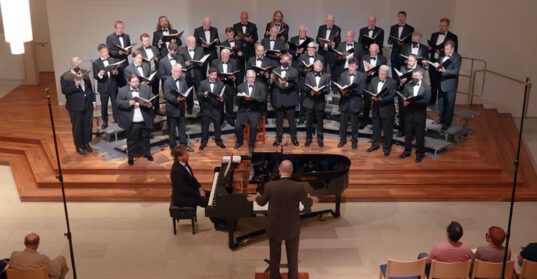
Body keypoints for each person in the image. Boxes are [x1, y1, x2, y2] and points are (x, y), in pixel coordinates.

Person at [247, 160, 318, 279]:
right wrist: (311, 199)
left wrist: (256, 198)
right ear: (291, 171)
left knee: (274, 256)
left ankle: (274, 276)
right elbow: (306, 203)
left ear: (279, 170)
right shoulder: (299, 187)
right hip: (292, 228)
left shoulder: (270, 186)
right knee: (293, 257)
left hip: (275, 227)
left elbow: (262, 201)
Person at [170, 145, 225, 230]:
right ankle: (217, 223)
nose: (188, 155)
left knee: (213, 194)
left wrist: (199, 188)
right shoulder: (176, 171)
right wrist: (199, 194)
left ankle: (222, 216)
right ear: (179, 157)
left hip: (190, 191)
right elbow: (184, 190)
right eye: (186, 154)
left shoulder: (185, 163)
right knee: (208, 202)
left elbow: (192, 178)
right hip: (183, 198)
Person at [116, 74, 155, 166]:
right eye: (133, 82)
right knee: (131, 140)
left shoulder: (145, 88)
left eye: (137, 81)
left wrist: (149, 104)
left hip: (144, 118)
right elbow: (118, 103)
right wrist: (128, 103)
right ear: (129, 82)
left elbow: (152, 99)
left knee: (146, 138)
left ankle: (147, 153)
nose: (136, 83)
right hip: (132, 120)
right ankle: (131, 157)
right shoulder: (122, 90)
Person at [60, 57, 95, 155]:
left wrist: (93, 101)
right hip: (75, 106)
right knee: (77, 126)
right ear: (71, 65)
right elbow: (64, 91)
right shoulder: (65, 76)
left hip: (87, 103)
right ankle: (78, 146)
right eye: (76, 65)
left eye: (79, 65)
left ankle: (86, 143)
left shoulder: (84, 73)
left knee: (88, 125)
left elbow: (89, 88)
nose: (78, 67)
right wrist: (75, 85)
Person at [399, 70, 431, 163]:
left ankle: (420, 153)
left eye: (416, 76)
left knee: (419, 136)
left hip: (420, 114)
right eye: (413, 76)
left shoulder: (427, 87)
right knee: (408, 134)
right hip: (409, 113)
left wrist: (413, 101)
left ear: (421, 77)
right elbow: (403, 97)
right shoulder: (408, 85)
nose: (414, 78)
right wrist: (404, 101)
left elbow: (427, 101)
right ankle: (407, 151)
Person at [234, 70, 267, 153]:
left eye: (253, 77)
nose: (251, 79)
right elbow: (237, 102)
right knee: (238, 126)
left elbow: (263, 98)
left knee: (253, 126)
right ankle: (239, 142)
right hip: (243, 109)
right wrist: (241, 98)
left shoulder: (261, 86)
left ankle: (251, 145)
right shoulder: (240, 86)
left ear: (255, 78)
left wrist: (253, 98)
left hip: (255, 110)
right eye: (249, 77)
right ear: (246, 77)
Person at [270, 53, 299, 147]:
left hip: (289, 99)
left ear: (290, 61)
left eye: (288, 60)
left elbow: (295, 84)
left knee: (291, 121)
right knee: (279, 121)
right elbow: (271, 83)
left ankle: (294, 138)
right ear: (281, 60)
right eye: (284, 60)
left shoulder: (294, 70)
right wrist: (270, 80)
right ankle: (278, 138)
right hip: (278, 99)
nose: (285, 62)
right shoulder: (275, 70)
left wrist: (285, 84)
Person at [336, 57, 366, 150]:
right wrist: (342, 90)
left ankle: (354, 141)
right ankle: (342, 140)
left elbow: (362, 91)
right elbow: (339, 88)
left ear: (356, 66)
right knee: (343, 124)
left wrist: (351, 90)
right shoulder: (343, 74)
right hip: (344, 102)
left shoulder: (361, 76)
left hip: (355, 103)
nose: (351, 68)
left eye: (353, 66)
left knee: (354, 124)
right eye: (349, 66)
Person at [433, 40, 462, 134]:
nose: (445, 51)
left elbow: (455, 72)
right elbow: (438, 61)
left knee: (449, 106)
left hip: (450, 85)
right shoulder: (442, 54)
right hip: (441, 83)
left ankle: (447, 124)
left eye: (447, 49)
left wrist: (444, 71)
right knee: (440, 104)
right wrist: (436, 64)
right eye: (444, 49)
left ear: (452, 49)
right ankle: (441, 119)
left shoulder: (457, 57)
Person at [428, 18, 458, 106]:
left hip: (445, 64)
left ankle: (441, 103)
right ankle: (432, 102)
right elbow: (431, 48)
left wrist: (441, 52)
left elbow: (454, 52)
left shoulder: (453, 37)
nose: (441, 27)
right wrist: (430, 49)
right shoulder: (434, 35)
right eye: (440, 25)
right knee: (433, 83)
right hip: (433, 62)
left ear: (448, 26)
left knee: (442, 85)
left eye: (443, 26)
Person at [367, 65, 396, 156]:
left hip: (387, 110)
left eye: (383, 74)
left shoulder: (392, 82)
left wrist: (380, 99)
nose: (380, 75)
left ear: (387, 74)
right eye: (380, 73)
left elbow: (391, 96)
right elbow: (370, 90)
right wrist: (372, 96)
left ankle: (387, 147)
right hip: (376, 109)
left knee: (387, 130)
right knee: (376, 129)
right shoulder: (374, 80)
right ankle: (375, 145)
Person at [163, 64, 193, 152]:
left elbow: (186, 91)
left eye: (180, 72)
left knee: (182, 128)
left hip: (181, 109)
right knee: (172, 130)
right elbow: (167, 95)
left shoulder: (183, 80)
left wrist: (185, 96)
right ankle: (173, 147)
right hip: (172, 109)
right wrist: (177, 99)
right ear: (172, 71)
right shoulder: (167, 81)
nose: (178, 73)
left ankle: (184, 144)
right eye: (176, 71)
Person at [396, 54, 426, 137]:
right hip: (403, 93)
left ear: (416, 61)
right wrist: (401, 82)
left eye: (411, 61)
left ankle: (412, 133)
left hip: (413, 95)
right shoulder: (402, 68)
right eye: (408, 60)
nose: (408, 62)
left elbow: (422, 84)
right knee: (402, 113)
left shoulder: (421, 70)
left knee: (412, 115)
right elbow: (398, 80)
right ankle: (401, 130)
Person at [359, 43, 388, 128]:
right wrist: (366, 74)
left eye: (374, 51)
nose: (372, 53)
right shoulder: (364, 57)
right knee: (366, 103)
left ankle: (377, 122)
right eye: (371, 51)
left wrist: (375, 71)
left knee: (378, 103)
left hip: (378, 82)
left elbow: (385, 71)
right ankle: (365, 120)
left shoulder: (383, 59)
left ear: (378, 51)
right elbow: (360, 70)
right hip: (367, 83)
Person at [303, 60, 331, 147]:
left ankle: (320, 139)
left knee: (320, 122)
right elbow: (305, 87)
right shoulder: (308, 75)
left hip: (320, 102)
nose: (317, 69)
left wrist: (320, 91)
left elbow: (327, 90)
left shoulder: (327, 76)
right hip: (310, 101)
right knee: (309, 122)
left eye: (318, 68)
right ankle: (308, 138)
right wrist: (311, 91)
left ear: (322, 68)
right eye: (315, 68)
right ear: (313, 67)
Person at [197, 67, 226, 150]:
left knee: (217, 126)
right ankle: (204, 141)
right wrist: (204, 94)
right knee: (205, 126)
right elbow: (199, 94)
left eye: (215, 75)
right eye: (212, 75)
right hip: (206, 108)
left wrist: (222, 98)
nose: (214, 76)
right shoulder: (203, 83)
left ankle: (218, 140)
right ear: (208, 74)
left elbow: (224, 95)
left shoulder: (220, 84)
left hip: (216, 108)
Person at [93, 44, 120, 129]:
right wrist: (100, 74)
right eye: (103, 52)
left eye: (106, 51)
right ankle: (105, 121)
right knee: (104, 105)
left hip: (113, 85)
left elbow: (116, 73)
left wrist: (115, 72)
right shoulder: (96, 63)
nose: (106, 53)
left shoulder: (112, 59)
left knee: (115, 104)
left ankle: (117, 119)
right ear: (99, 53)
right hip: (103, 87)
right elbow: (95, 76)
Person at [297, 42, 324, 124]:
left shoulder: (320, 58)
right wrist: (304, 70)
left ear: (315, 49)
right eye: (308, 49)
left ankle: (313, 120)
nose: (310, 51)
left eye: (312, 49)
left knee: (314, 102)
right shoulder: (302, 56)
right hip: (304, 81)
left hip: (315, 82)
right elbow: (298, 68)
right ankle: (302, 118)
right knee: (303, 101)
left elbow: (323, 70)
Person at [178, 36, 206, 113]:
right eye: (192, 42)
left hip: (198, 74)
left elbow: (204, 61)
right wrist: (185, 64)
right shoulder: (181, 50)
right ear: (187, 42)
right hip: (187, 75)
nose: (194, 44)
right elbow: (179, 63)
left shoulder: (200, 49)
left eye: (194, 42)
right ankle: (190, 107)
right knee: (189, 93)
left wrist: (201, 64)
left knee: (199, 92)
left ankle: (203, 109)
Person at [211, 48, 239, 126]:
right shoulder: (215, 62)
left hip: (229, 84)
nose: (226, 58)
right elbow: (212, 74)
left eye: (227, 56)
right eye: (224, 56)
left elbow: (236, 74)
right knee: (220, 102)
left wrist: (233, 77)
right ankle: (220, 119)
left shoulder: (233, 62)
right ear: (221, 55)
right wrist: (216, 77)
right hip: (219, 84)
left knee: (230, 102)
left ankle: (230, 118)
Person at [138, 33, 162, 115]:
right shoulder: (139, 50)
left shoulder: (154, 48)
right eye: (145, 41)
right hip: (146, 75)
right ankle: (148, 111)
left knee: (156, 93)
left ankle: (157, 110)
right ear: (142, 41)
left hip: (155, 73)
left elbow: (160, 58)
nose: (147, 42)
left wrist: (156, 58)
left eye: (148, 40)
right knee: (146, 93)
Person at [388, 11, 414, 78]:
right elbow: (389, 40)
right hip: (394, 54)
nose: (400, 18)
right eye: (399, 16)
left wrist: (404, 43)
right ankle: (394, 88)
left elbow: (411, 42)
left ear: (405, 17)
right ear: (397, 17)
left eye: (402, 16)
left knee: (403, 74)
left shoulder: (410, 28)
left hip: (404, 55)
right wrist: (395, 41)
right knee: (394, 74)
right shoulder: (393, 27)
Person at [316, 14, 341, 82]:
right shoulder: (321, 27)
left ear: (333, 21)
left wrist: (333, 43)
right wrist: (321, 42)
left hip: (331, 52)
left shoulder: (337, 29)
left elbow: (338, 41)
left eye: (331, 21)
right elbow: (317, 39)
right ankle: (322, 85)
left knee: (333, 69)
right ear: (326, 21)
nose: (329, 22)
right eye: (328, 20)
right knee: (321, 69)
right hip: (322, 52)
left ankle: (334, 87)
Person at [106, 20, 131, 87]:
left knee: (126, 83)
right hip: (115, 63)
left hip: (125, 63)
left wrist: (128, 51)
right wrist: (119, 52)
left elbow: (130, 47)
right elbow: (109, 50)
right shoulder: (110, 37)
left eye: (122, 28)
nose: (120, 29)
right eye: (119, 28)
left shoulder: (126, 36)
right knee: (116, 85)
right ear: (115, 28)